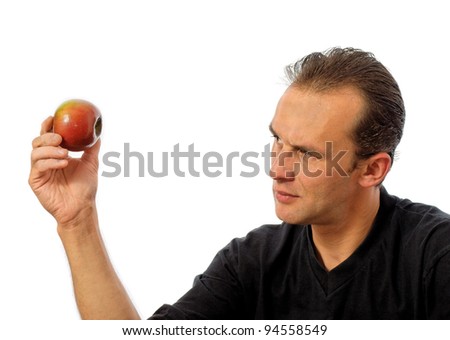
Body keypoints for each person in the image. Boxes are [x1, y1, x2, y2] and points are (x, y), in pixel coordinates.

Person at [29, 47, 450, 319]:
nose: (277, 167)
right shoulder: (253, 262)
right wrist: (77, 221)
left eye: (306, 154)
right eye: (276, 140)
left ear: (372, 170)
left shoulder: (435, 258)